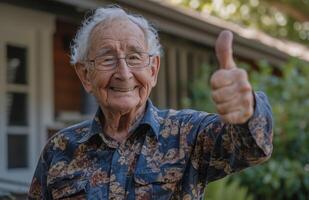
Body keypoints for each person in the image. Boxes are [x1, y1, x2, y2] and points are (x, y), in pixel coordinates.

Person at [28, 5, 273, 200]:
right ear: (85, 75)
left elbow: (251, 149)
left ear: (153, 70)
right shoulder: (59, 150)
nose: (124, 73)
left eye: (134, 57)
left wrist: (247, 110)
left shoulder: (188, 134)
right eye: (106, 59)